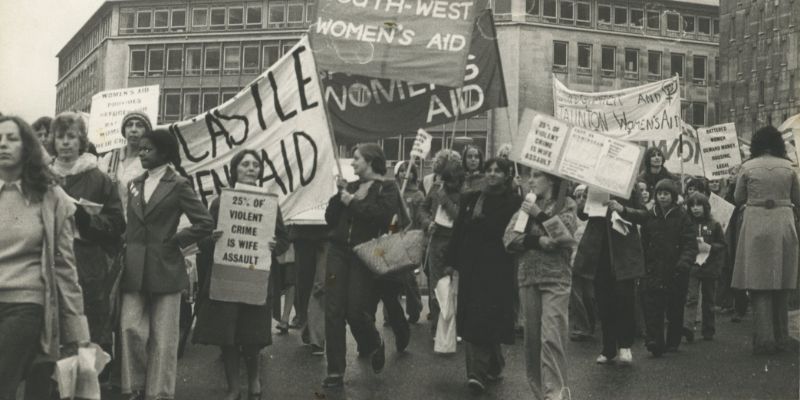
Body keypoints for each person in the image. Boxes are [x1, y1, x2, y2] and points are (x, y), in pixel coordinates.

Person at [119, 128, 214, 399]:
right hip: (134, 267)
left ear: (164, 152)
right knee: (129, 328)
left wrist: (177, 240)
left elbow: (205, 222)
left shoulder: (179, 183)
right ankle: (134, 387)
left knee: (164, 338)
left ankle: (159, 393)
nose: (142, 153)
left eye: (148, 149)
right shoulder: (134, 183)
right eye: (141, 149)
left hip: (166, 266)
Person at [0, 115, 90, 399]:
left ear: (28, 146)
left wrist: (78, 329)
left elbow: (65, 267)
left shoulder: (51, 198)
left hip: (26, 304)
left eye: (11, 139)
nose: (2, 145)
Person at [193, 150, 290, 400]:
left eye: (255, 165)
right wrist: (211, 239)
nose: (251, 168)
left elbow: (284, 239)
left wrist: (274, 245)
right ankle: (234, 388)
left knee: (253, 334)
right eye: (245, 164)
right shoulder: (219, 202)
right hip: (225, 277)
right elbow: (202, 240)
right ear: (235, 169)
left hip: (256, 277)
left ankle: (255, 381)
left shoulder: (270, 202)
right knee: (228, 336)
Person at [322, 143, 399, 388]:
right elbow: (330, 219)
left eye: (356, 159)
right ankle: (335, 371)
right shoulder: (351, 186)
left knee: (356, 310)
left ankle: (374, 342)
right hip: (337, 252)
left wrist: (351, 201)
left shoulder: (387, 188)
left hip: (363, 253)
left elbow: (381, 216)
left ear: (371, 160)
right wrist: (338, 197)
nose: (352, 163)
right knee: (333, 310)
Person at [50, 112, 125, 357]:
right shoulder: (42, 176)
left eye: (71, 136)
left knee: (86, 332)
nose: (65, 142)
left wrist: (86, 218)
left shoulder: (99, 178)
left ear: (81, 140)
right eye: (60, 136)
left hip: (87, 265)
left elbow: (117, 224)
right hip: (48, 263)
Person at [447, 157, 521, 393]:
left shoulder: (514, 202)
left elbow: (506, 233)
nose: (491, 174)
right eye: (488, 170)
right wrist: (450, 262)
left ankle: (488, 366)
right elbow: (458, 231)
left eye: (497, 171)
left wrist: (482, 223)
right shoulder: (471, 198)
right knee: (473, 317)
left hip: (497, 267)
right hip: (471, 267)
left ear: (507, 175)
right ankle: (478, 372)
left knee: (489, 317)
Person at [503, 169, 576, 399]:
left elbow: (564, 238)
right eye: (529, 176)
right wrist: (537, 241)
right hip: (528, 277)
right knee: (532, 343)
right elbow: (509, 239)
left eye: (536, 176)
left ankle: (555, 394)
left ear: (551, 180)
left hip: (556, 278)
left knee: (552, 338)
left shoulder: (567, 204)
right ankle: (540, 393)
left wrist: (540, 215)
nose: (530, 181)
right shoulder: (526, 205)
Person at [731, 125, 800, 354]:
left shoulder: (747, 167)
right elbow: (797, 199)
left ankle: (764, 340)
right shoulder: (789, 167)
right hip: (783, 222)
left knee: (759, 284)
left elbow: (738, 197)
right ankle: (782, 337)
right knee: (782, 282)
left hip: (757, 223)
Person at [610, 179, 698, 357]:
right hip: (654, 268)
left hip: (676, 270)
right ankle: (654, 341)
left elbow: (690, 243)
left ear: (673, 196)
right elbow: (637, 215)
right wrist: (622, 209)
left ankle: (673, 340)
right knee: (653, 306)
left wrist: (684, 262)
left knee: (675, 307)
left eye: (666, 193)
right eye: (659, 193)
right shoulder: (652, 213)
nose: (663, 196)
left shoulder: (682, 216)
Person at [573, 186, 645, 365]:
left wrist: (623, 209)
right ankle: (608, 348)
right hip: (599, 251)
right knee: (604, 300)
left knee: (624, 299)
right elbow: (583, 215)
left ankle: (625, 346)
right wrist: (582, 203)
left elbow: (644, 215)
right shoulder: (593, 185)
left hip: (623, 251)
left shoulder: (630, 187)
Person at [418, 157, 465, 333]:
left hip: (456, 242)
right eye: (446, 180)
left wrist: (445, 200)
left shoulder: (464, 194)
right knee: (436, 284)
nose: (449, 184)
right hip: (437, 240)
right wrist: (426, 222)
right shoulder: (436, 189)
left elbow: (459, 218)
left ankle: (455, 325)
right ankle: (438, 326)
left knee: (454, 286)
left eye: (453, 181)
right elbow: (422, 208)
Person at [682, 192, 725, 342]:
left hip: (709, 266)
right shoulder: (687, 224)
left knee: (709, 299)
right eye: (692, 205)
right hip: (693, 265)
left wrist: (710, 247)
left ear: (705, 207)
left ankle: (708, 330)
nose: (695, 209)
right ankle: (687, 326)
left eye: (698, 205)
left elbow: (722, 244)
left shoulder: (714, 224)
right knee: (691, 297)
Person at [100, 112, 152, 213]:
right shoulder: (110, 158)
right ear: (124, 130)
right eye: (129, 125)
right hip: (112, 222)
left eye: (139, 125)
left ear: (147, 132)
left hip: (138, 223)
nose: (133, 130)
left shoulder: (150, 161)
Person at [568, 185, 596, 342]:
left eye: (584, 197)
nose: (580, 200)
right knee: (576, 295)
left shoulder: (594, 215)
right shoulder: (572, 215)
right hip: (574, 258)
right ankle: (582, 327)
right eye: (577, 196)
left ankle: (590, 325)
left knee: (589, 295)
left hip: (589, 259)